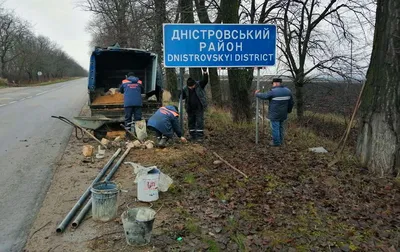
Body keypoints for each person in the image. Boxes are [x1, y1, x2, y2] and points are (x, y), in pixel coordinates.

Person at [255, 78, 294, 147]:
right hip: (283, 114)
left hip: (275, 114)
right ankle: (281, 141)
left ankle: (276, 143)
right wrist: (289, 110)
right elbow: (291, 103)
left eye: (273, 84)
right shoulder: (288, 91)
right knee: (281, 128)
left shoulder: (273, 91)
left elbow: (265, 96)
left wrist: (257, 94)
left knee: (275, 128)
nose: (273, 85)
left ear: (275, 83)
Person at [182, 69, 209, 142]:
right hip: (190, 108)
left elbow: (205, 81)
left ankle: (199, 136)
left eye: (192, 86)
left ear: (194, 84)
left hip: (199, 107)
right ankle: (192, 136)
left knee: (199, 121)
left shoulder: (199, 85)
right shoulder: (185, 89)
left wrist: (205, 73)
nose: (191, 88)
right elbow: (182, 96)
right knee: (191, 122)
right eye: (190, 87)